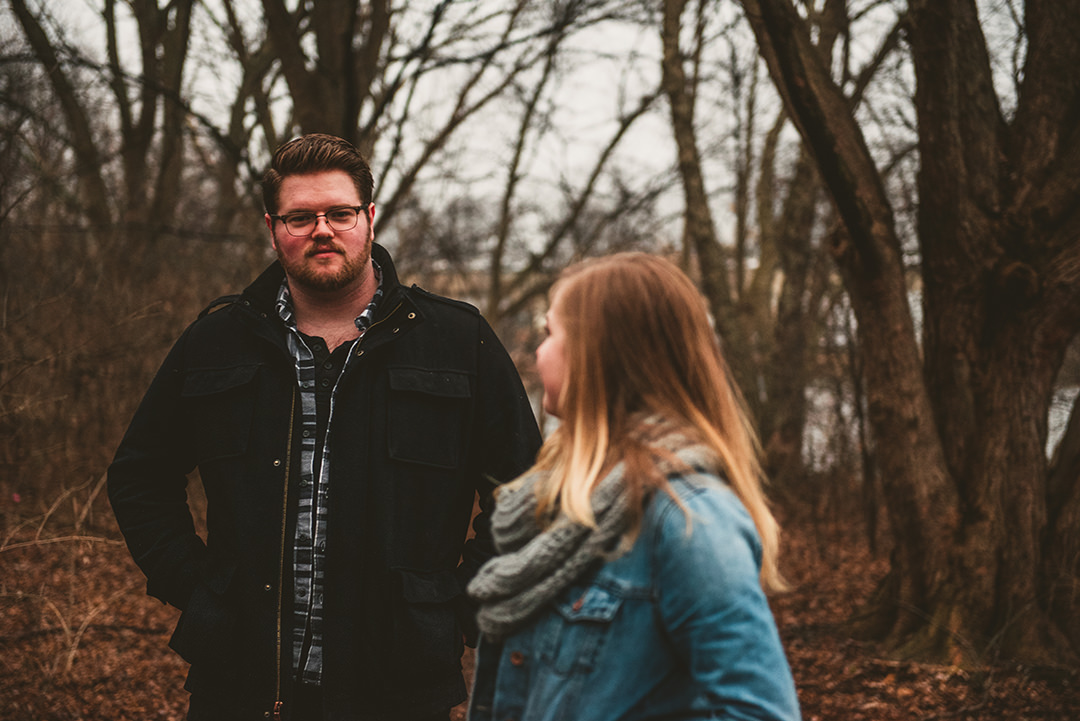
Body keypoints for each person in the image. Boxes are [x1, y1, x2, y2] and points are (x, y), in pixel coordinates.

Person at [107, 133, 542, 721]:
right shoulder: (216, 341)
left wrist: (456, 605)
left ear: (368, 218)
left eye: (339, 213)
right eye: (300, 217)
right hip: (239, 684)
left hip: (398, 689)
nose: (322, 230)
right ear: (272, 226)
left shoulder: (457, 342)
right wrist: (198, 586)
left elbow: (528, 492)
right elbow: (140, 476)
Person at [467, 253, 802, 721]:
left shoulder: (688, 519)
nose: (537, 350)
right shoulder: (564, 503)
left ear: (597, 354)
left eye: (548, 333)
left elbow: (761, 712)